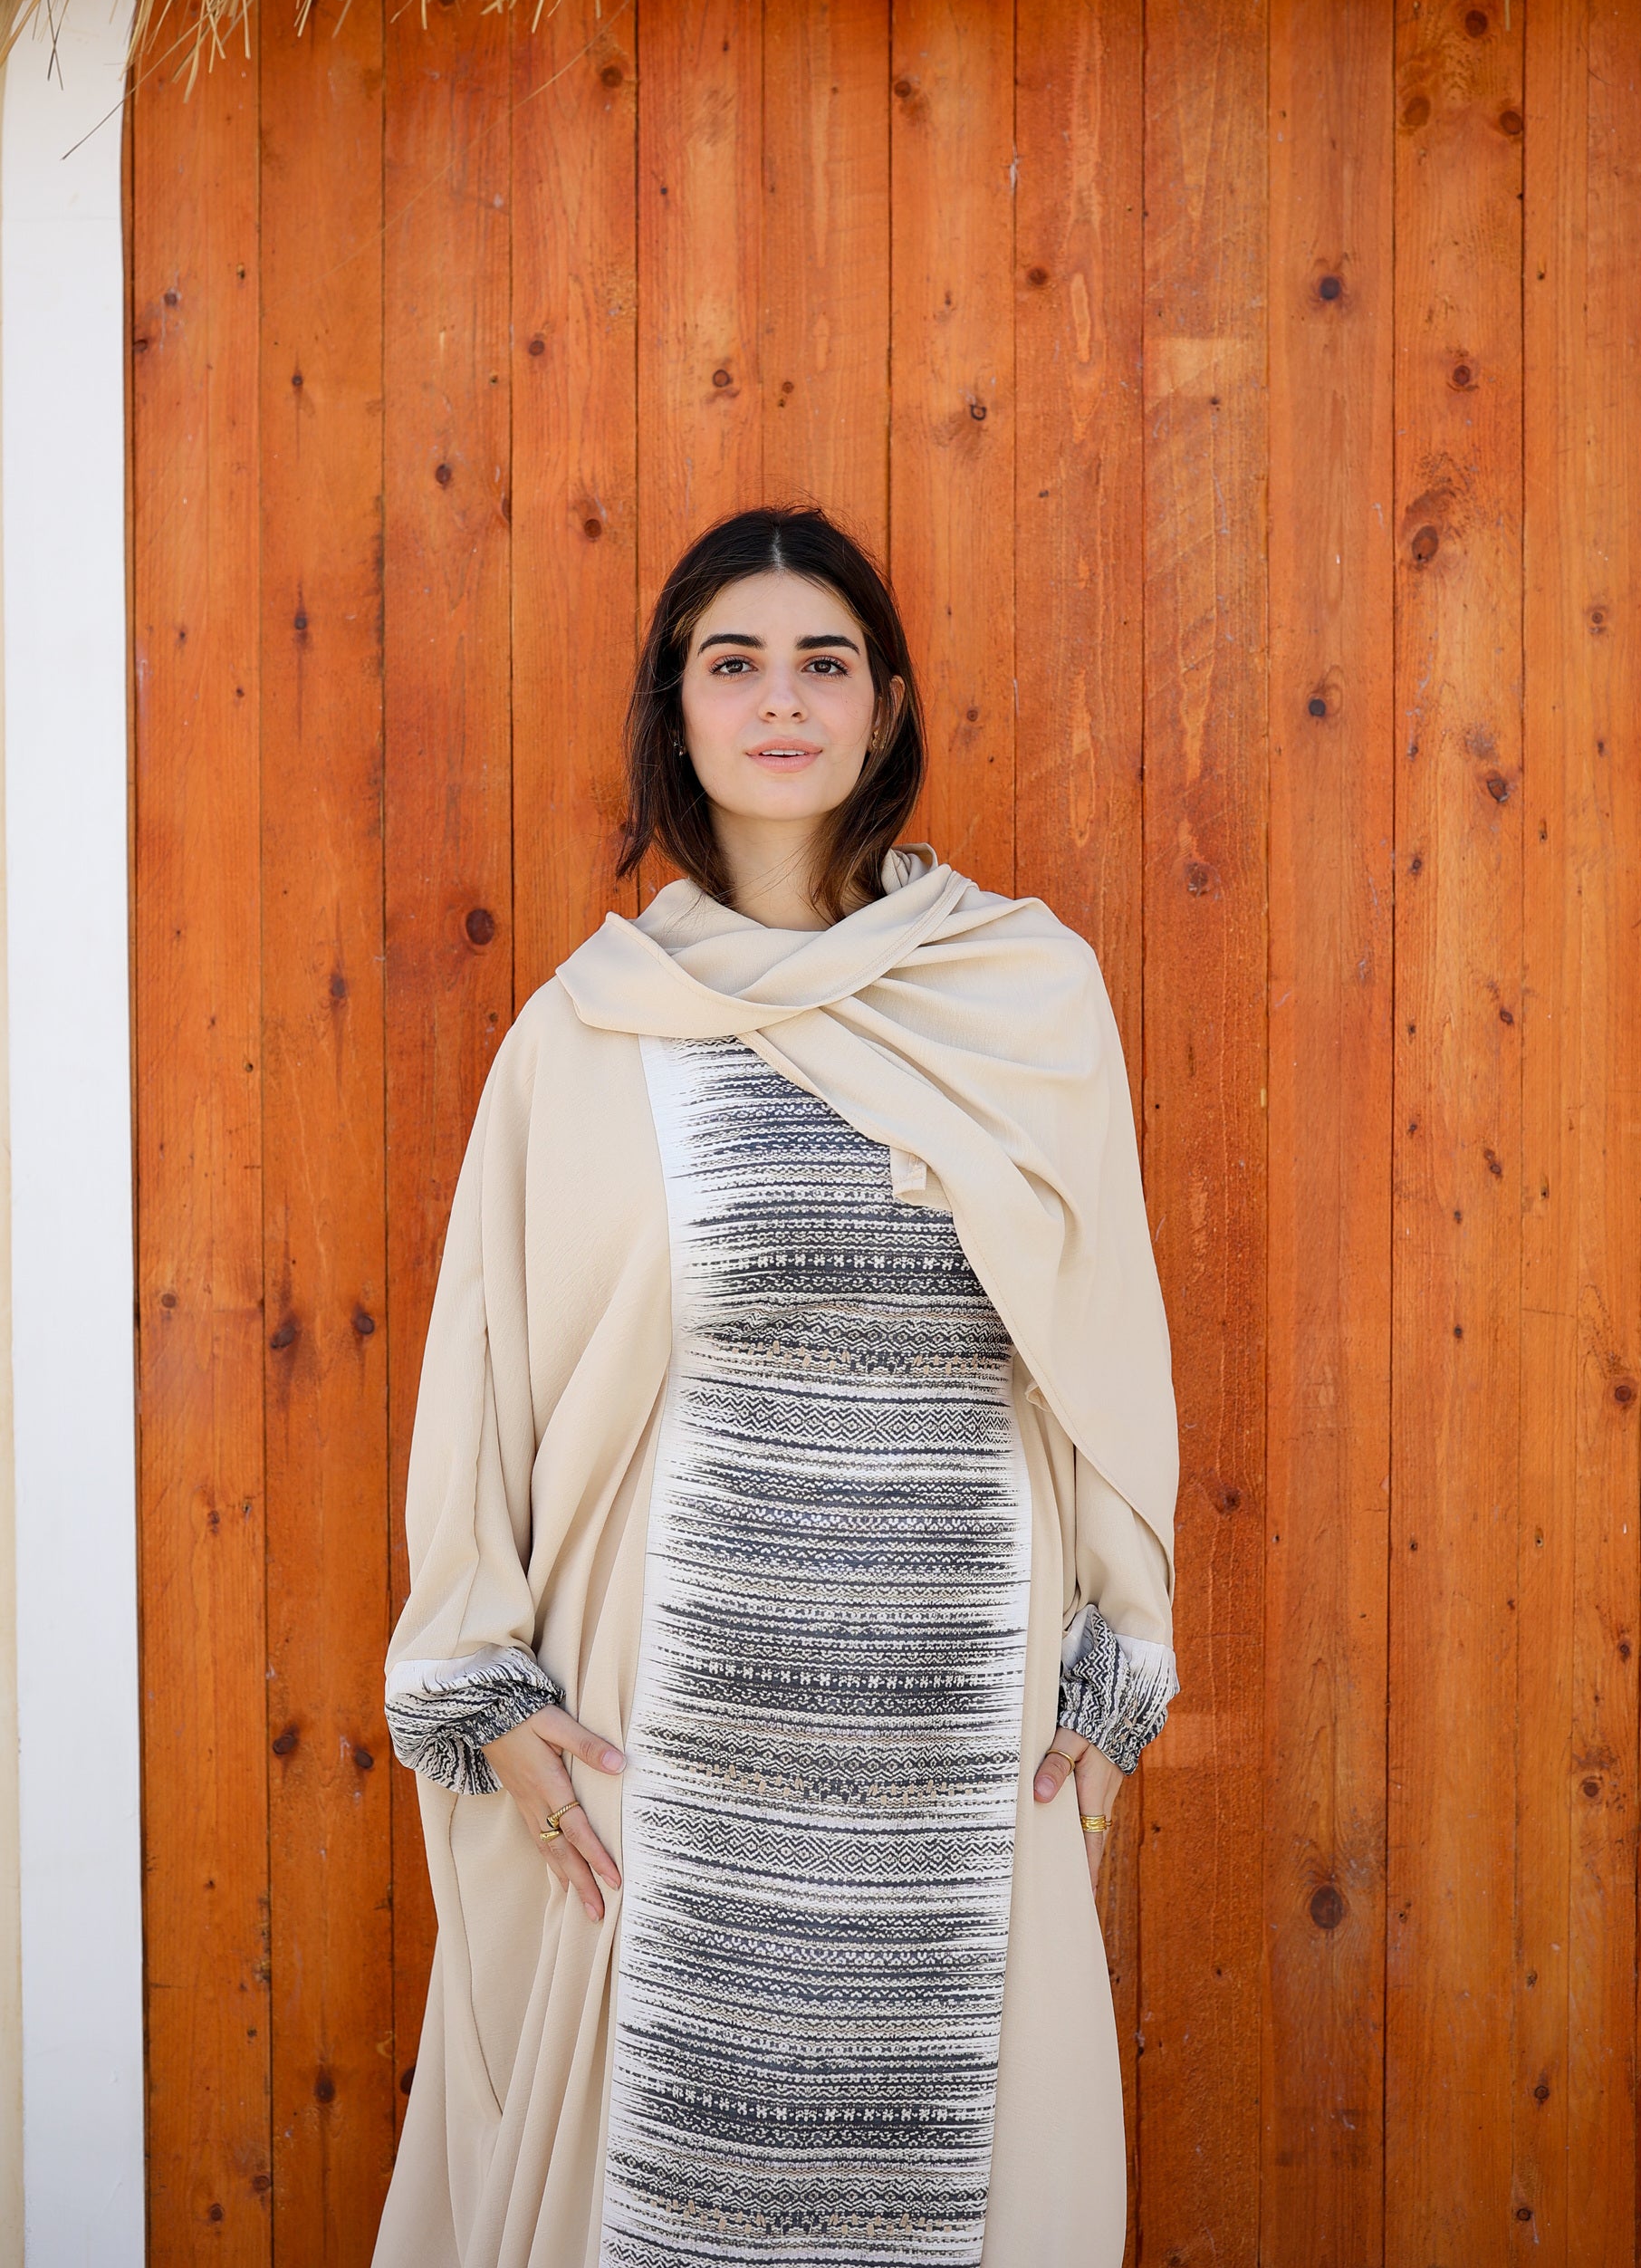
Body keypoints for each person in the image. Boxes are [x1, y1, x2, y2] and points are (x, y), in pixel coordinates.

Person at [373, 505, 1181, 2268]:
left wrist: (1120, 1651)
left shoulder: (1026, 997)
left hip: (958, 1739)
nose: (782, 701)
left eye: (826, 662)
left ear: (884, 708)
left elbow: (1106, 1335)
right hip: (670, 1735)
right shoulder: (590, 1030)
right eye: (732, 664)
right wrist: (479, 1676)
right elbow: (483, 1373)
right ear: (677, 713)